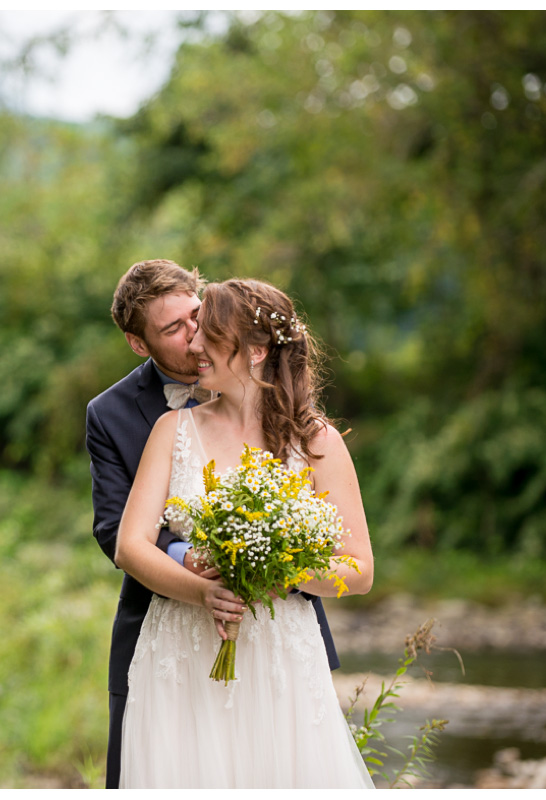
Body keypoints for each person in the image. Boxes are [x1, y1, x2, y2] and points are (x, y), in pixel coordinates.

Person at [85, 262, 341, 789]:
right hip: (171, 638)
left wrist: (274, 563)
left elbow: (349, 555)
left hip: (277, 637)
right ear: (139, 344)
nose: (194, 337)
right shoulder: (115, 416)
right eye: (173, 330)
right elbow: (118, 533)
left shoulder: (297, 422)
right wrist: (195, 566)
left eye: (196, 317)